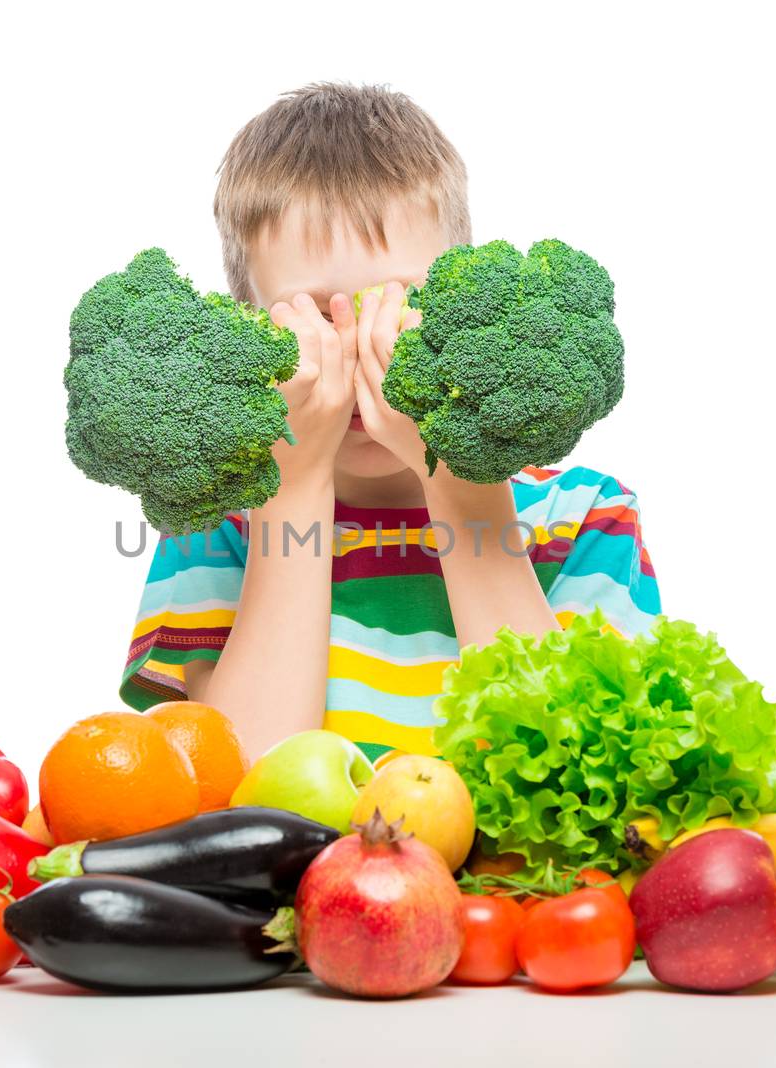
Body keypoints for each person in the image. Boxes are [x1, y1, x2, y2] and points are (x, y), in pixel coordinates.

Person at [120, 83, 660, 760]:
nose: (361, 344)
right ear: (243, 328)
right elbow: (240, 789)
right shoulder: (214, 533)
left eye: (399, 302)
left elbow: (580, 767)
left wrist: (464, 486)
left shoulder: (587, 518)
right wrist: (294, 489)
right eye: (314, 317)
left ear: (466, 299)